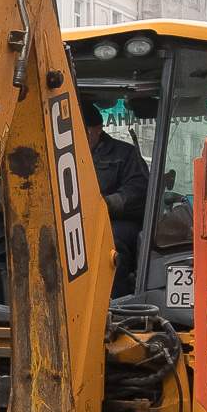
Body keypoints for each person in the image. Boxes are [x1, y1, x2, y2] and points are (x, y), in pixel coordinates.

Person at [84, 105, 149, 299]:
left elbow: (138, 190)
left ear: (96, 130)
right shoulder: (59, 155)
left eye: (86, 129)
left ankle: (114, 303)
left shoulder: (125, 155)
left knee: (111, 238)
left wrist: (106, 205)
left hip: (117, 221)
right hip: (73, 220)